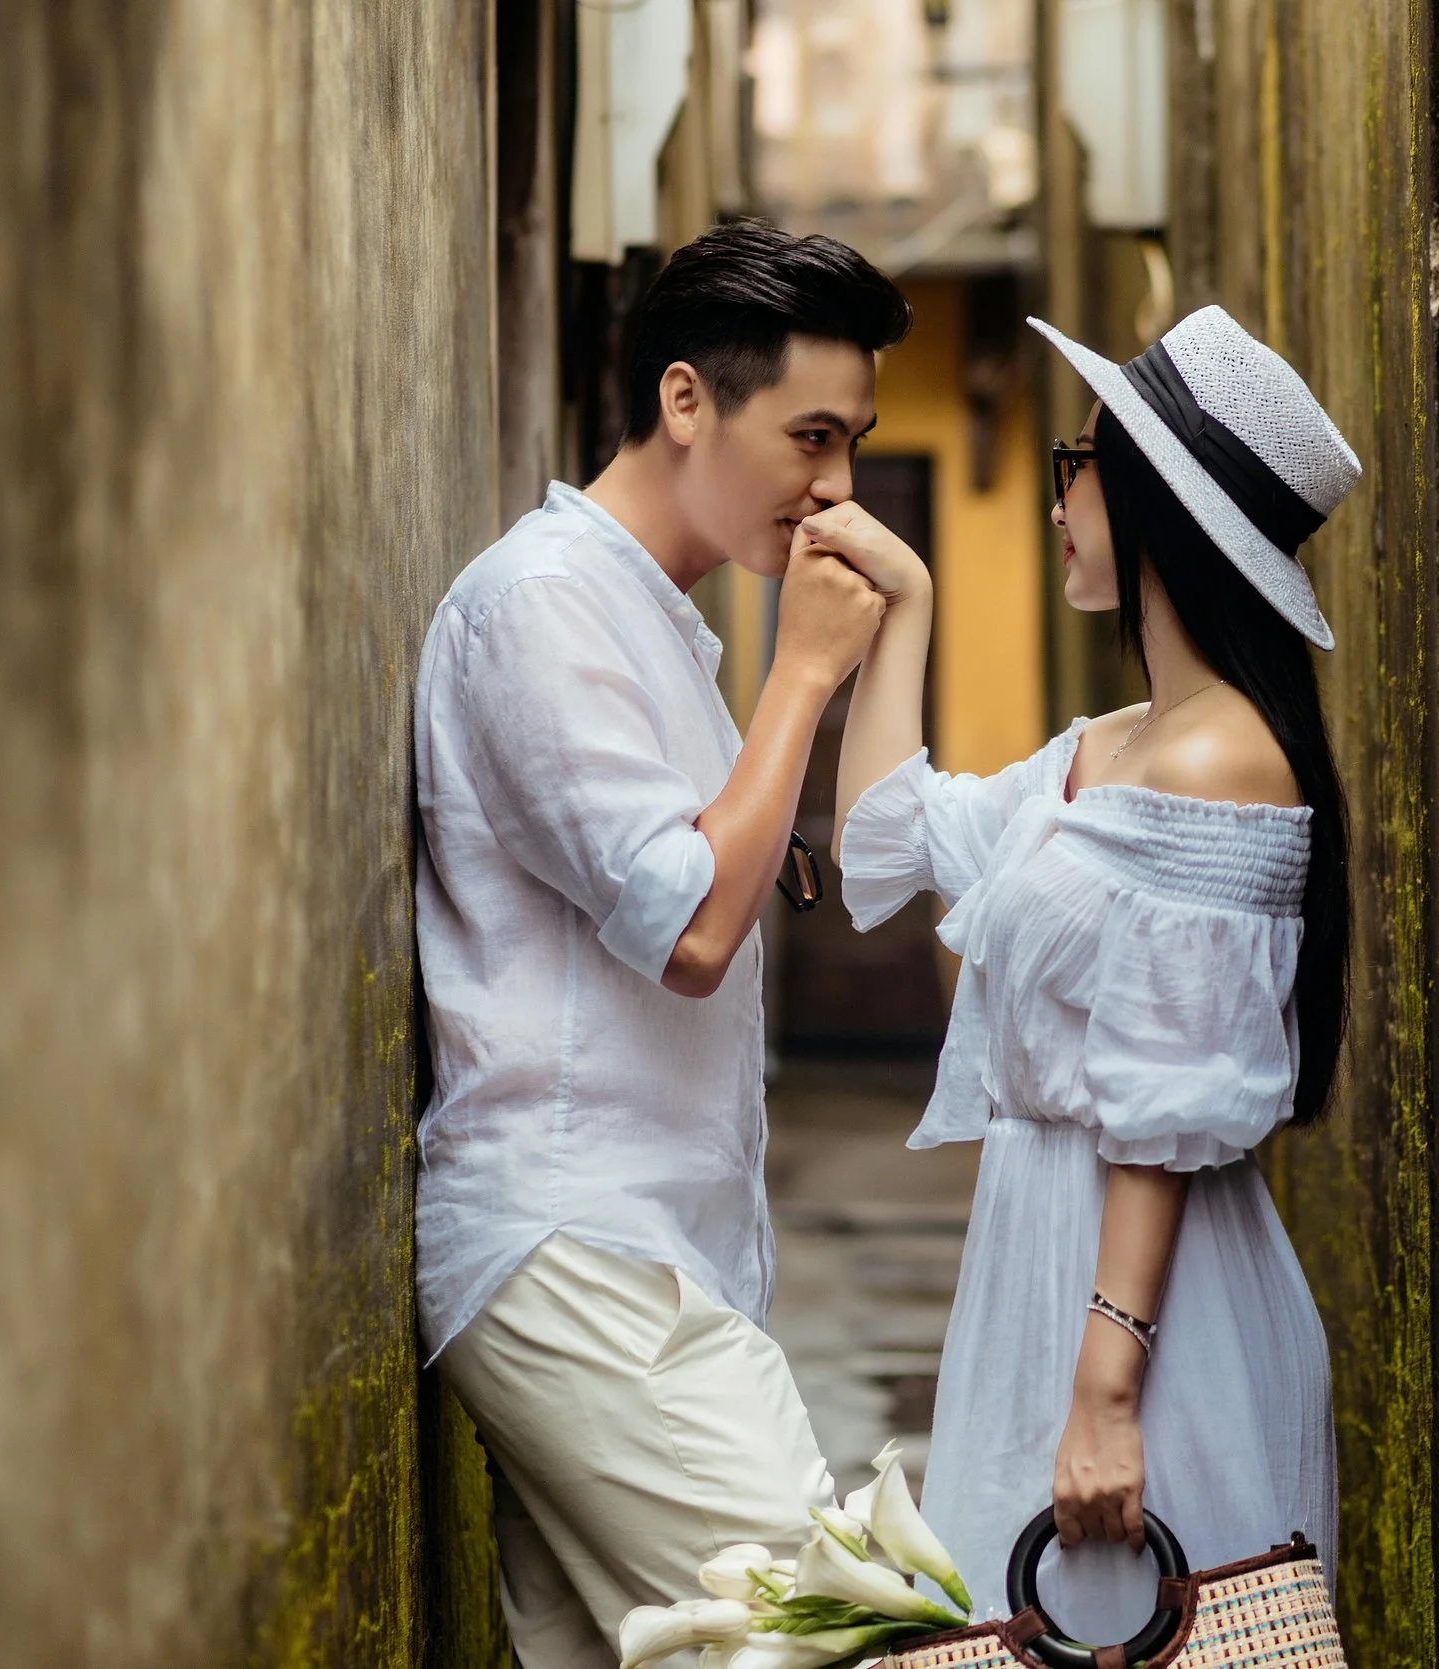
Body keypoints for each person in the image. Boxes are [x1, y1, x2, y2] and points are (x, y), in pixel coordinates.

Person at [811, 305, 1357, 1642]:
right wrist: (910, 606)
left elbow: (1164, 1108)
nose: (1063, 495)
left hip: (1154, 1320)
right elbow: (888, 841)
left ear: (1158, 500)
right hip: (1038, 1278)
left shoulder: (1220, 760)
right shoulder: (1107, 750)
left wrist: (1108, 1389)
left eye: (1082, 461)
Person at [410, 221, 908, 1668]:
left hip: (652, 1258)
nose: (837, 488)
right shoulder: (541, 605)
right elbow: (688, 925)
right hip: (578, 1253)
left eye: (857, 442)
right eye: (810, 435)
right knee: (839, 1635)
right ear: (686, 401)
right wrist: (807, 674)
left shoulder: (665, 634)